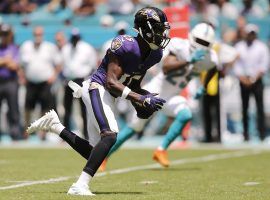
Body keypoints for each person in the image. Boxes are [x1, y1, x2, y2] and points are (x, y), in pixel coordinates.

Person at [26, 7, 170, 195]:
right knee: (110, 136)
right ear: (145, 28)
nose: (162, 34)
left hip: (109, 93)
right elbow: (111, 82)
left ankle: (55, 126)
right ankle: (79, 186)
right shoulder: (125, 45)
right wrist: (140, 98)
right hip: (97, 88)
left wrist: (144, 98)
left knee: (95, 152)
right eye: (158, 28)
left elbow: (133, 84)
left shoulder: (154, 54)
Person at [99, 23, 219, 170]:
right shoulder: (180, 46)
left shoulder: (211, 58)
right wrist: (189, 61)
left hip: (172, 97)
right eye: (199, 41)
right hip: (154, 92)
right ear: (192, 37)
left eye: (205, 43)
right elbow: (167, 68)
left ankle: (160, 150)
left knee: (186, 114)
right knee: (134, 128)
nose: (201, 45)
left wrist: (204, 86)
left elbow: (213, 68)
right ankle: (104, 157)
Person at [20, 26, 61, 140]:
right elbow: (21, 65)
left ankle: (42, 133)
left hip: (45, 82)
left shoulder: (49, 47)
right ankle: (26, 130)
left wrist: (53, 76)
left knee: (45, 108)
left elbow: (58, 64)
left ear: (42, 35)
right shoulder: (26, 46)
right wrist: (22, 76)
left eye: (39, 34)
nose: (38, 36)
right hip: (31, 82)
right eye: (36, 34)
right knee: (28, 107)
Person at [234, 24, 269, 141]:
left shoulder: (262, 47)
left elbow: (264, 66)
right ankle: (245, 134)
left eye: (253, 33)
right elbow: (237, 65)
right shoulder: (239, 46)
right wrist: (243, 79)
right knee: (245, 108)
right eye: (249, 33)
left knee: (260, 107)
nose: (251, 36)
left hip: (257, 81)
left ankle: (262, 134)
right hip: (244, 80)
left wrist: (253, 79)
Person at [61, 28, 97, 140]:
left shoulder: (87, 48)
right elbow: (63, 64)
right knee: (67, 108)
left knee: (84, 109)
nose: (75, 41)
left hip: (82, 81)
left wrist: (88, 80)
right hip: (69, 81)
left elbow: (93, 65)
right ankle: (65, 135)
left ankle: (86, 134)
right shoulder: (66, 48)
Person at [0, 24, 22, 140]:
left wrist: (3, 62)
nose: (3, 37)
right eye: (2, 34)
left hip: (11, 82)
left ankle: (15, 134)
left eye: (5, 34)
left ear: (10, 35)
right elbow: (10, 63)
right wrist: (6, 61)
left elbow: (15, 66)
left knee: (13, 109)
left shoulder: (15, 48)